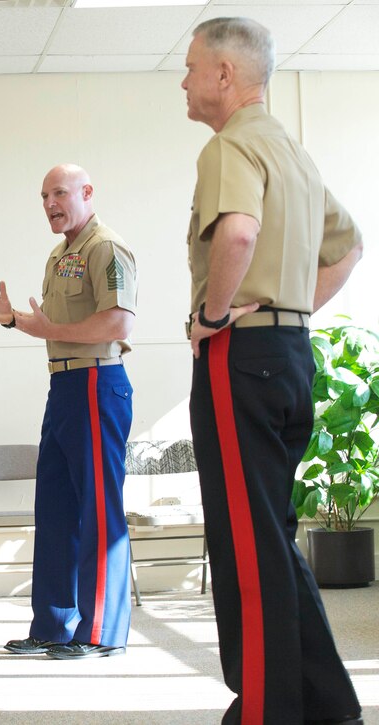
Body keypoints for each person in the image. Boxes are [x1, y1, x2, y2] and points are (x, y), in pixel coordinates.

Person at [181, 17, 363, 724]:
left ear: (227, 75)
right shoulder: (295, 154)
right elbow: (347, 249)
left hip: (241, 357)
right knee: (270, 536)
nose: (185, 80)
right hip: (290, 355)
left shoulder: (230, 146)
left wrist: (216, 315)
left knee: (245, 546)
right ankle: (327, 702)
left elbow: (238, 231)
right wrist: (293, 307)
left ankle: (263, 710)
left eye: (193, 66)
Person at [0, 163, 138, 660]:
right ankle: (53, 626)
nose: (50, 203)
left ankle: (100, 632)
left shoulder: (105, 248)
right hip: (64, 385)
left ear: (87, 192)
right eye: (44, 195)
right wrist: (13, 321)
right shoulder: (59, 254)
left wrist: (46, 330)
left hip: (96, 383)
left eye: (60, 193)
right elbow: (55, 325)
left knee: (97, 511)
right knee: (55, 510)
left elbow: (118, 323)